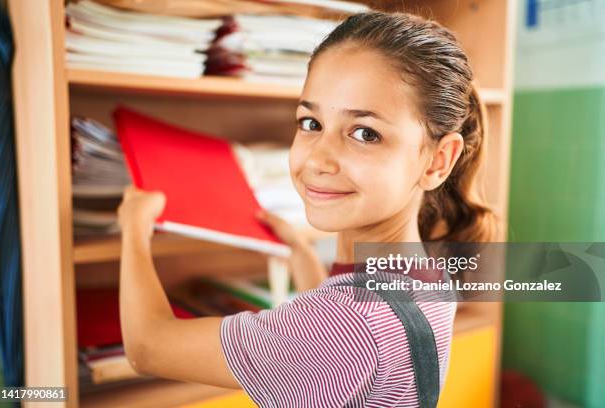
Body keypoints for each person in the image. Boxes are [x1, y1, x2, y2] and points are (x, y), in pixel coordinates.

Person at [117, 11, 495, 407]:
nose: (318, 159)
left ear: (437, 160)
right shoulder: (426, 276)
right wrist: (302, 255)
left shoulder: (341, 328)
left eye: (365, 133)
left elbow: (147, 347)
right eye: (311, 123)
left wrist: (135, 230)